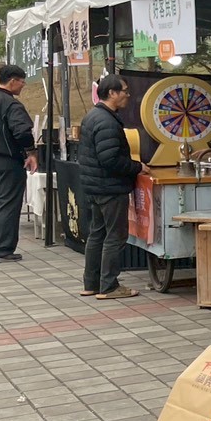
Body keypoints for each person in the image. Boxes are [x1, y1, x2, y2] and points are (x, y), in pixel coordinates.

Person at [78, 74, 144, 299]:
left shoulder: (94, 115)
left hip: (96, 186)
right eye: (124, 90)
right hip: (110, 187)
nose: (128, 95)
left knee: (97, 234)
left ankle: (91, 283)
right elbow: (110, 159)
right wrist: (137, 167)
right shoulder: (106, 121)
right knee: (115, 236)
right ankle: (109, 286)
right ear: (112, 93)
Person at [0, 63, 38, 264]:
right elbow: (22, 132)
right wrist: (31, 152)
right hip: (7, 159)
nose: (23, 85)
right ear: (13, 81)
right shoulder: (11, 104)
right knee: (8, 203)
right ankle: (1, 249)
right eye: (22, 82)